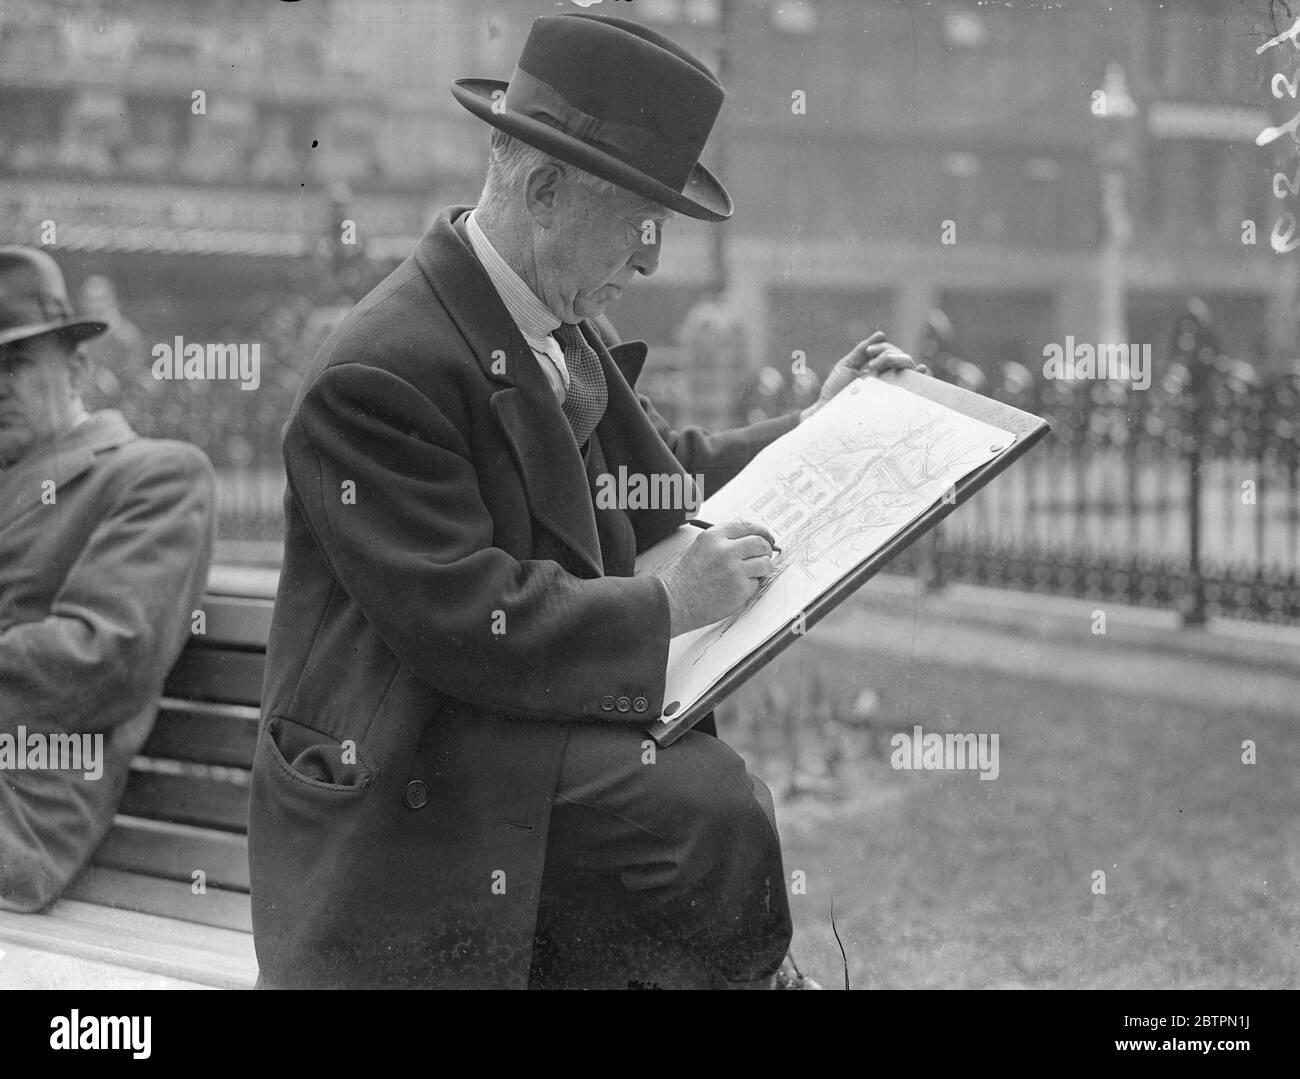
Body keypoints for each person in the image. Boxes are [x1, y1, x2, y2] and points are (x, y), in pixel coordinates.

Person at [248, 11, 921, 990]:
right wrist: (670, 603)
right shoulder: (378, 370)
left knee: (704, 811)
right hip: (406, 779)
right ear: (545, 188)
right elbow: (464, 615)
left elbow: (657, 476)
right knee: (705, 808)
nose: (650, 259)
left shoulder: (546, 317)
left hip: (500, 738)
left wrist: (812, 429)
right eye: (640, 222)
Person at [0, 246, 214, 912]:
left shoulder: (156, 475)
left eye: (13, 365)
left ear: (77, 367)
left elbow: (106, 656)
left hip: (20, 812)